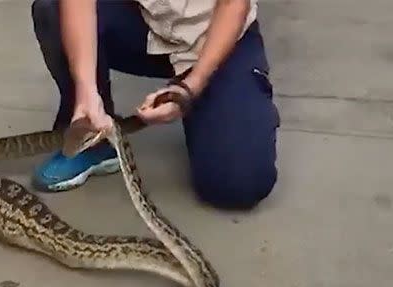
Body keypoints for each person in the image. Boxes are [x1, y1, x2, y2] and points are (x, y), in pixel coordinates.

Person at [30, 0, 280, 210]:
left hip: (215, 38)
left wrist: (189, 88)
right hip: (147, 26)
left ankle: (211, 104)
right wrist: (86, 92)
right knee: (51, 9)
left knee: (238, 182)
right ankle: (92, 133)